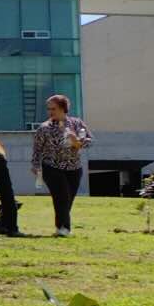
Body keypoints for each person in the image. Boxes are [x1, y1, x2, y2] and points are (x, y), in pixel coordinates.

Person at [29, 94, 92, 236]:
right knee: (61, 196)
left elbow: (89, 140)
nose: (50, 112)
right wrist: (36, 165)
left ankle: (60, 227)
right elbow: (37, 149)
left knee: (68, 199)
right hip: (51, 167)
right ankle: (64, 229)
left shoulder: (77, 123)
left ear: (63, 108)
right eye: (48, 109)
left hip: (74, 168)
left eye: (54, 108)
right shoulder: (44, 128)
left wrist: (78, 142)